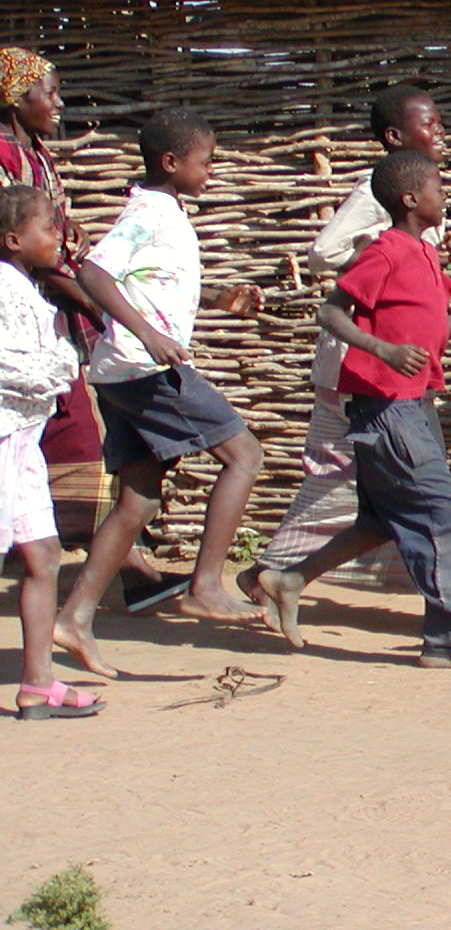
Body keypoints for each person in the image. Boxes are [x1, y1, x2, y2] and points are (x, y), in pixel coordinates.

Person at [255, 150, 451, 668]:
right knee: (442, 513)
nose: (444, 195)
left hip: (410, 404)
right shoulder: (385, 251)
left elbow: (438, 329)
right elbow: (331, 312)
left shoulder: (424, 254)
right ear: (410, 198)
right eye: (438, 188)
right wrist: (381, 349)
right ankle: (450, 642)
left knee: (381, 520)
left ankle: (288, 581)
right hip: (385, 407)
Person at [53, 108, 267, 679]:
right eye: (206, 162)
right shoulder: (147, 212)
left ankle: (74, 618)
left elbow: (148, 282)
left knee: (138, 501)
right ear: (171, 162)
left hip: (123, 372)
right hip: (144, 369)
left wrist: (219, 298)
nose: (211, 172)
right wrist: (147, 334)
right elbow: (95, 273)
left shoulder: (163, 211)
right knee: (245, 455)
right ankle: (205, 585)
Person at [237, 85, 448, 608]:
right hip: (364, 367)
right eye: (429, 123)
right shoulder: (376, 197)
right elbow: (323, 252)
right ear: (395, 136)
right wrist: (380, 255)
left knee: (342, 480)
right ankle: (450, 601)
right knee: (409, 478)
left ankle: (271, 574)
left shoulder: (419, 200)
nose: (440, 131)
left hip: (388, 370)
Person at [0, 47, 176, 610]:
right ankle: (128, 570)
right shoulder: (3, 157)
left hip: (48, 312)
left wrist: (67, 233)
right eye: (48, 92)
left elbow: (44, 233)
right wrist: (98, 304)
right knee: (71, 437)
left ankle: (127, 568)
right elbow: (23, 246)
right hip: (21, 318)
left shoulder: (35, 153)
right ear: (15, 97)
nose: (58, 103)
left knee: (69, 436)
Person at [0, 185, 104, 719]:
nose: (59, 237)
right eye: (47, 228)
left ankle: (38, 684)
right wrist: (60, 366)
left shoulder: (30, 290)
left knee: (43, 554)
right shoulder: (3, 288)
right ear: (13, 239)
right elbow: (12, 364)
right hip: (4, 437)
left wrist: (59, 363)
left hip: (25, 440)